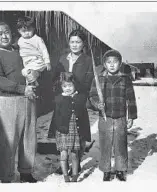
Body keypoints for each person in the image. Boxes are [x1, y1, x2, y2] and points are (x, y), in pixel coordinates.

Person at [0, 21, 38, 183]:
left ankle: (26, 172)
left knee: (29, 137)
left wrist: (35, 73)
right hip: (8, 102)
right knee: (9, 141)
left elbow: (33, 64)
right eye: (0, 34)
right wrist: (22, 89)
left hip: (29, 98)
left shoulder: (20, 50)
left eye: (6, 31)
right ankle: (7, 178)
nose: (4, 36)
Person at [48, 29, 94, 174]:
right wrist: (60, 91)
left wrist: (77, 92)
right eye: (72, 41)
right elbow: (55, 78)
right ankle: (63, 164)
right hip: (63, 101)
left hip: (78, 99)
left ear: (83, 43)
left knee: (78, 133)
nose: (74, 45)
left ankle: (77, 162)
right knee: (62, 131)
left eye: (78, 42)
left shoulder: (87, 60)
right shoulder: (63, 59)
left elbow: (88, 82)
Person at [89, 49, 138, 181]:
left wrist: (131, 116)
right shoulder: (99, 79)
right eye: (108, 62)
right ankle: (106, 169)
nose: (112, 65)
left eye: (115, 62)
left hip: (120, 117)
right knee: (105, 145)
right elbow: (92, 96)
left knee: (120, 144)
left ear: (120, 63)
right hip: (105, 117)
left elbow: (131, 98)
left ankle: (121, 169)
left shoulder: (125, 78)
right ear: (104, 64)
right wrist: (96, 104)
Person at [54, 72, 87, 182]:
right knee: (63, 154)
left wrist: (84, 132)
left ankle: (74, 175)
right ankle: (65, 176)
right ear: (61, 87)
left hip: (75, 130)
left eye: (70, 86)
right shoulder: (58, 99)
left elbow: (84, 117)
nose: (67, 88)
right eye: (64, 86)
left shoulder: (79, 98)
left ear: (75, 85)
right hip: (63, 131)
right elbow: (55, 117)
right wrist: (56, 130)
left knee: (74, 154)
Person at [17, 16, 51, 87]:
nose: (26, 33)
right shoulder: (20, 40)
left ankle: (33, 86)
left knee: (27, 72)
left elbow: (44, 50)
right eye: (23, 31)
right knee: (26, 73)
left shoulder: (37, 39)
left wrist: (47, 62)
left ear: (33, 29)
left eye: (29, 30)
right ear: (19, 31)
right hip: (28, 63)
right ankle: (34, 86)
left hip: (37, 61)